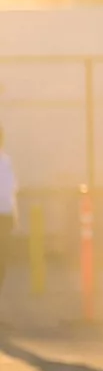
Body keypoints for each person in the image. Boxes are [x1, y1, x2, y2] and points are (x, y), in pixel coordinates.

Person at [0, 125, 18, 300]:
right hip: (5, 216)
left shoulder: (6, 162)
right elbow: (11, 189)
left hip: (4, 216)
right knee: (1, 260)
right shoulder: (6, 162)